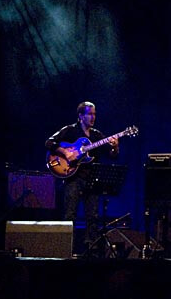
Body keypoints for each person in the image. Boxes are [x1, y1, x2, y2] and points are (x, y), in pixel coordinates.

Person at [45, 101, 119, 253]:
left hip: (91, 179)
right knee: (70, 214)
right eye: (89, 114)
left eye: (94, 114)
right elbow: (49, 142)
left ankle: (90, 248)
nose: (93, 117)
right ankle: (66, 248)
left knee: (93, 216)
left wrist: (115, 146)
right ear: (80, 116)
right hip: (73, 178)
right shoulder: (70, 130)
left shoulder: (97, 136)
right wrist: (66, 153)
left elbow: (112, 156)